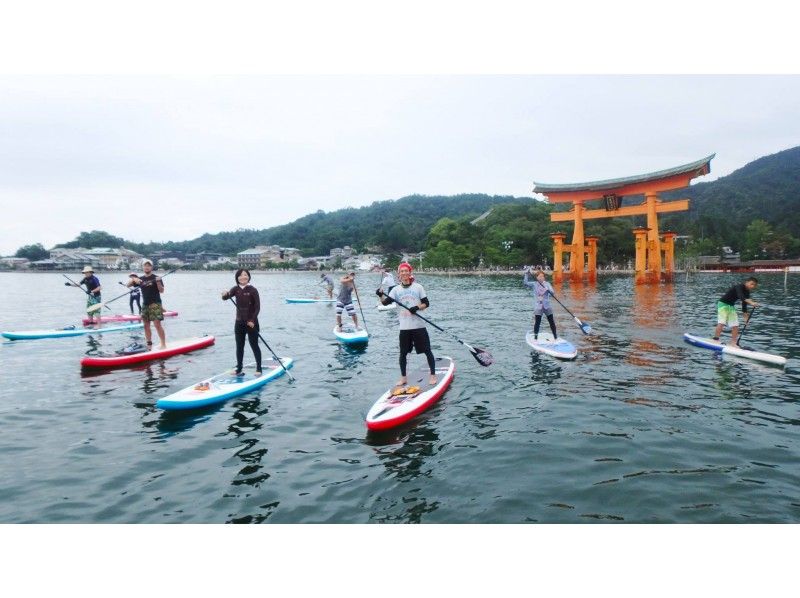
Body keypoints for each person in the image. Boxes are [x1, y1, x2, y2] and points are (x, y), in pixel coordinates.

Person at [376, 262, 437, 386]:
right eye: (401, 271)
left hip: (419, 326)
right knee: (403, 353)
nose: (404, 273)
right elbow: (385, 303)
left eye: (406, 271)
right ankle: (403, 378)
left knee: (427, 351)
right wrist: (380, 295)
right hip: (404, 327)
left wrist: (417, 307)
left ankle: (433, 375)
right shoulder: (395, 290)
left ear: (410, 273)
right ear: (399, 275)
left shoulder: (418, 287)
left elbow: (426, 303)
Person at [221, 269, 262, 376]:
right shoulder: (235, 289)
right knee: (239, 346)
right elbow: (225, 298)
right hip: (239, 323)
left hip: (251, 323)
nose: (243, 277)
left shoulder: (253, 290)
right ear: (237, 278)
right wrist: (224, 294)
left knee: (254, 345)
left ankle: (259, 368)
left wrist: (252, 320)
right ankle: (239, 368)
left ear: (248, 277)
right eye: (240, 275)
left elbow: (257, 307)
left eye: (245, 275)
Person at [128, 259, 166, 350]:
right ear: (143, 267)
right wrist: (134, 279)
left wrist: (157, 282)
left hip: (155, 304)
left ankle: (163, 344)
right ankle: (149, 345)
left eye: (148, 265)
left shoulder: (157, 277)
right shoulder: (140, 279)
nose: (147, 267)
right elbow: (128, 285)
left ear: (151, 267)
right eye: (145, 265)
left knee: (157, 324)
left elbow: (162, 291)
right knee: (146, 325)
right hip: (145, 305)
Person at [714, 276, 759, 346]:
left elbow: (744, 306)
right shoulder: (739, 286)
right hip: (722, 304)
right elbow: (740, 296)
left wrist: (746, 319)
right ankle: (715, 339)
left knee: (735, 325)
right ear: (746, 282)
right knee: (722, 322)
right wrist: (751, 302)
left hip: (731, 306)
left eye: (754, 285)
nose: (752, 286)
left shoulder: (747, 292)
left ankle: (733, 343)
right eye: (751, 284)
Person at [523, 268, 557, 340]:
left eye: (542, 276)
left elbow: (552, 293)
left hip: (547, 306)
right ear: (537, 277)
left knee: (551, 322)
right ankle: (535, 337)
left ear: (544, 277)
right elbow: (525, 283)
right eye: (540, 276)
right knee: (537, 322)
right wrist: (526, 274)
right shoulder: (534, 284)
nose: (541, 278)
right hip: (538, 306)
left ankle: (555, 336)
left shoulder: (547, 284)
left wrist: (549, 289)